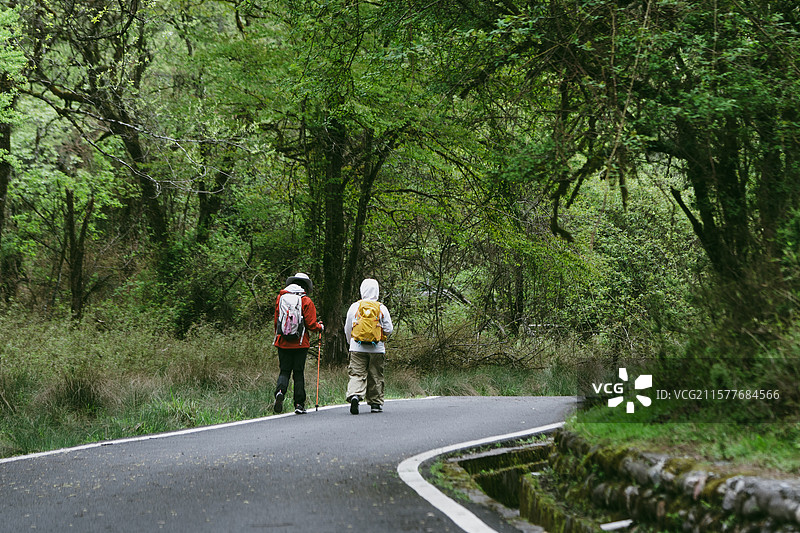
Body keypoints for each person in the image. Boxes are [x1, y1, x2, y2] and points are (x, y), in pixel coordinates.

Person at [273, 273, 324, 415]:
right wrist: (320, 327)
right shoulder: (306, 301)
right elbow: (312, 325)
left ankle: (280, 391)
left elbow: (277, 321)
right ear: (305, 286)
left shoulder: (280, 298)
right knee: (298, 373)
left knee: (284, 370)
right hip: (301, 344)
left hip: (282, 342)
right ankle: (299, 404)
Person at [344, 278, 393, 414]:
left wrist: (351, 342)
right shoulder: (381, 308)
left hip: (356, 347)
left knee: (356, 374)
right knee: (376, 375)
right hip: (377, 348)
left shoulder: (355, 307)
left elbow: (348, 327)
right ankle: (375, 403)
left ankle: (355, 395)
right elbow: (389, 329)